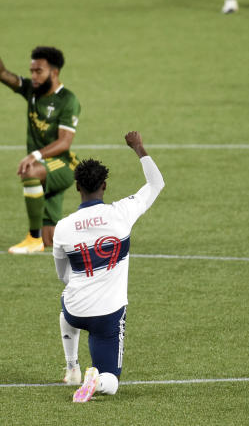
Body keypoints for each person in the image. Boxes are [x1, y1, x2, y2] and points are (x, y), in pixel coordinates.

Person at [52, 131, 165, 403]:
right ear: (104, 185)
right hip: (108, 316)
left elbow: (62, 275)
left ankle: (72, 368)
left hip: (76, 310)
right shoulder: (121, 213)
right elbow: (156, 183)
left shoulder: (63, 227)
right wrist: (138, 147)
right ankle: (97, 379)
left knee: (66, 301)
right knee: (112, 383)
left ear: (77, 187)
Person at [0, 30, 81, 253]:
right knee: (52, 239)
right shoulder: (32, 91)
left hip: (64, 165)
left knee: (30, 171)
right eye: (32, 71)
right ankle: (90, 239)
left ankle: (32, 238)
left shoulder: (68, 100)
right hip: (47, 167)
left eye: (39, 71)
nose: (34, 76)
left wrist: (34, 155)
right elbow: (0, 73)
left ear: (54, 72)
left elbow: (65, 142)